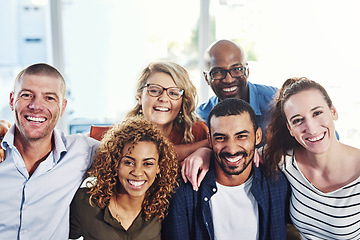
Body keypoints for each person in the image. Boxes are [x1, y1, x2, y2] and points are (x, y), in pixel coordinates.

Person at [162, 98, 290, 240]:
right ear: (210, 140)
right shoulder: (185, 191)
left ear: (258, 136)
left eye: (241, 136)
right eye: (221, 138)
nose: (232, 149)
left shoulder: (276, 184)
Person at [0, 63, 99, 239]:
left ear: (62, 107)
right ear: (11, 100)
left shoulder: (81, 151)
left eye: (49, 98)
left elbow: (133, 141)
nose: (36, 105)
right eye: (27, 95)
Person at [264, 77, 360, 239]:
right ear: (290, 129)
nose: (311, 128)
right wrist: (205, 151)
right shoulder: (285, 160)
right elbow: (241, 153)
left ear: (333, 112)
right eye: (298, 120)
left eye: (317, 113)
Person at [70, 117, 179, 240]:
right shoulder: (84, 203)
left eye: (148, 163)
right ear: (115, 163)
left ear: (159, 167)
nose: (137, 172)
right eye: (128, 162)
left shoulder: (164, 208)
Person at [92, 61, 209, 162]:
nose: (163, 98)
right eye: (154, 90)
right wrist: (199, 147)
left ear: (183, 101)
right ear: (139, 97)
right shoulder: (116, 136)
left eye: (173, 93)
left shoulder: (197, 132)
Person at [197, 39, 277, 136]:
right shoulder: (202, 116)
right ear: (206, 77)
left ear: (247, 71)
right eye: (218, 72)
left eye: (236, 69)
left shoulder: (276, 102)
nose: (228, 80)